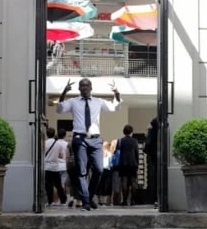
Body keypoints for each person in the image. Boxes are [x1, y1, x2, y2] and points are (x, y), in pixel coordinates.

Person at [55, 78, 121, 210]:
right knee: (82, 171)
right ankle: (85, 202)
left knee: (99, 169)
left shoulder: (98, 101)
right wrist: (63, 93)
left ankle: (89, 197)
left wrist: (117, 94)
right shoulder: (73, 102)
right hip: (79, 138)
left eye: (87, 86)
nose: (84, 88)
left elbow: (115, 107)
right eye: (82, 86)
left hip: (96, 139)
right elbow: (59, 109)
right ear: (79, 89)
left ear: (91, 88)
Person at [115, 125, 141, 206]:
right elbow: (137, 153)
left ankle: (125, 200)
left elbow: (116, 152)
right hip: (133, 164)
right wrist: (137, 164)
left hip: (123, 163)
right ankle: (133, 200)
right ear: (131, 132)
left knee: (124, 181)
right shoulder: (135, 141)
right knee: (133, 182)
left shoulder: (120, 141)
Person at [42, 127, 68, 207]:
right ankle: (63, 200)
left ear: (47, 134)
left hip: (47, 166)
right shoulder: (58, 144)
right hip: (56, 167)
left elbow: (42, 153)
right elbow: (61, 155)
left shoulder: (45, 143)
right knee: (58, 184)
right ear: (54, 134)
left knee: (48, 185)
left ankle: (50, 201)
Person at [144, 118, 160, 209]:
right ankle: (158, 199)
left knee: (155, 177)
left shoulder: (151, 131)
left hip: (153, 155)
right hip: (160, 155)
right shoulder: (161, 131)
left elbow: (148, 144)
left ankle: (156, 198)